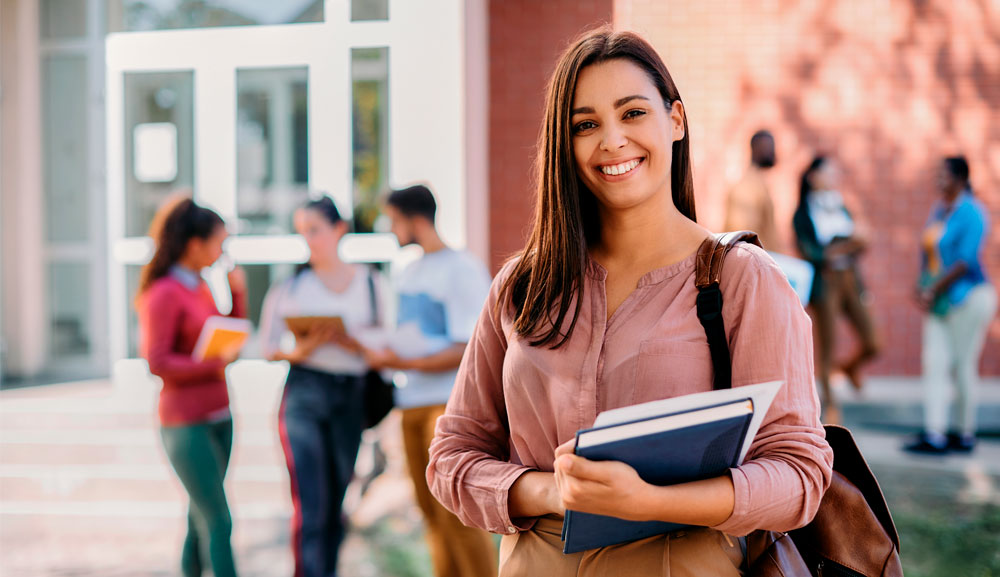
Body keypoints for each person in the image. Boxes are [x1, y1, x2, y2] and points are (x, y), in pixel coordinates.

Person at [425, 29, 833, 576]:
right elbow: (452, 457)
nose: (612, 141)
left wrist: (651, 502)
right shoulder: (522, 284)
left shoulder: (744, 281)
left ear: (677, 121)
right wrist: (551, 491)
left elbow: (799, 475)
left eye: (633, 113)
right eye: (585, 125)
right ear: (563, 145)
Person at [362, 184, 498, 577]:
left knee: (457, 516)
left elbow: (470, 347)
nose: (390, 228)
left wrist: (402, 359)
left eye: (393, 219)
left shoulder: (462, 268)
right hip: (411, 404)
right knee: (431, 516)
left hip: (448, 406)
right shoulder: (409, 271)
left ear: (415, 219)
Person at [258, 196, 386, 577]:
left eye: (314, 230)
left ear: (339, 230)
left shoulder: (371, 283)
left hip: (351, 395)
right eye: (302, 232)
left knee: (335, 506)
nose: (308, 240)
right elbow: (269, 347)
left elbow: (386, 346)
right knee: (311, 504)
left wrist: (354, 344)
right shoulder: (291, 286)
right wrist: (304, 348)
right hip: (304, 393)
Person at [136, 195, 246, 577]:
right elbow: (158, 362)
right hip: (186, 423)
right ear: (195, 244)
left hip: (219, 415)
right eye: (219, 243)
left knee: (199, 518)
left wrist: (239, 295)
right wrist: (214, 365)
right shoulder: (164, 292)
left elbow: (228, 339)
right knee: (218, 521)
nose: (222, 253)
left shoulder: (199, 285)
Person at [905, 157, 996, 454]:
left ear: (960, 178)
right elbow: (929, 252)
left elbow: (965, 260)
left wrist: (933, 288)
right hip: (940, 301)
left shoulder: (972, 212)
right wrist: (922, 287)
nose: (938, 180)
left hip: (969, 297)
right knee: (934, 362)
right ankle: (935, 433)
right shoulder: (939, 210)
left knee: (962, 364)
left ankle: (964, 433)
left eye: (944, 175)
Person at [792, 156, 880, 421]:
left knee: (874, 341)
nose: (833, 178)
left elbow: (862, 241)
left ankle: (851, 367)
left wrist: (844, 247)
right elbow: (813, 253)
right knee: (827, 347)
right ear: (813, 176)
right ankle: (830, 407)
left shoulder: (840, 205)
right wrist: (848, 246)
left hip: (850, 280)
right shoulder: (803, 213)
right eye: (828, 173)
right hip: (825, 283)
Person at [724, 130, 781, 252]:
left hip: (767, 256)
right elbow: (742, 236)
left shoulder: (759, 182)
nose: (773, 152)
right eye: (769, 147)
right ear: (756, 149)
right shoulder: (747, 187)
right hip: (757, 259)